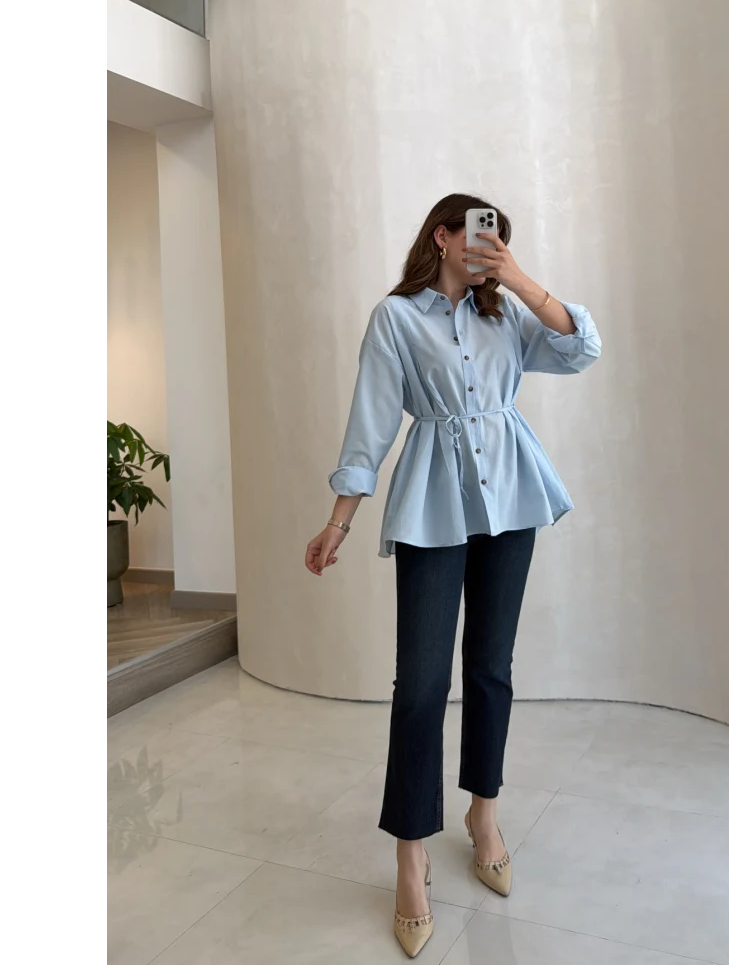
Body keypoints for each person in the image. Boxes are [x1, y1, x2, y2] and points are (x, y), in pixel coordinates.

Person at [305, 193, 601, 957]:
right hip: (432, 504)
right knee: (422, 684)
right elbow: (371, 421)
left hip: (513, 498)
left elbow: (581, 347)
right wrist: (340, 519)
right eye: (476, 236)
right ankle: (411, 854)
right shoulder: (397, 318)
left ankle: (483, 814)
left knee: (491, 669)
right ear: (442, 236)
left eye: (497, 241)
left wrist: (518, 277)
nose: (486, 249)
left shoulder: (507, 314)